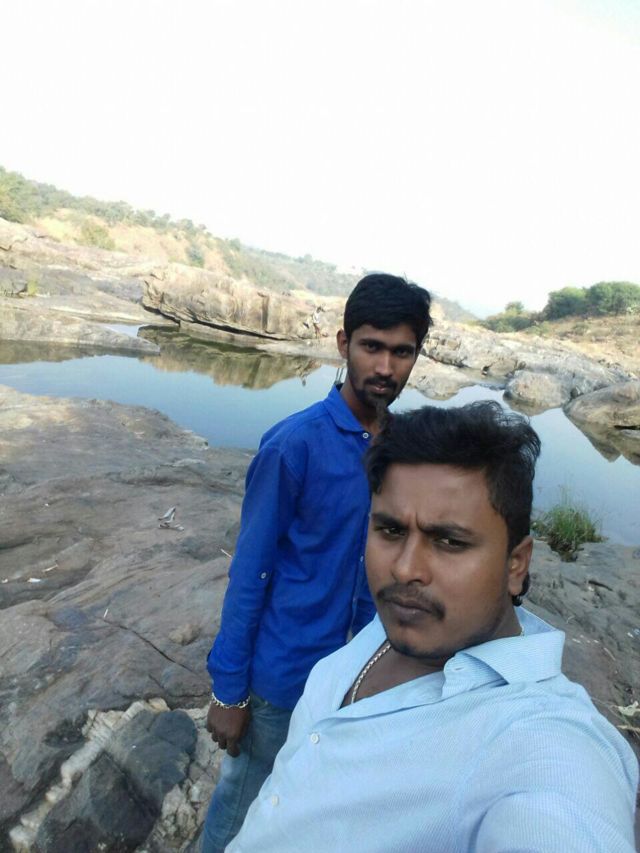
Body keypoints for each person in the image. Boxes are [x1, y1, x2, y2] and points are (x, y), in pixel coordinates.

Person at [227, 401, 639, 852]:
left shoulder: (543, 744)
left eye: (449, 541)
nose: (405, 569)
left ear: (516, 564)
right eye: (390, 531)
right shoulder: (395, 624)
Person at [201, 273, 432, 852]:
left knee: (312, 804)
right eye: (372, 346)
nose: (386, 366)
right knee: (244, 802)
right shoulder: (294, 446)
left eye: (402, 351)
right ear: (343, 344)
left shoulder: (404, 450)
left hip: (360, 675)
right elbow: (250, 571)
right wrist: (230, 692)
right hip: (284, 678)